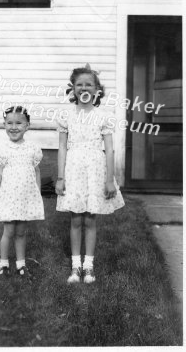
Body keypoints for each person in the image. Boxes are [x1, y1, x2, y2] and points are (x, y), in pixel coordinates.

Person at [55, 64, 125, 284]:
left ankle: (89, 267)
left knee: (90, 219)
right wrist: (60, 177)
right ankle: (75, 267)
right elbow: (62, 148)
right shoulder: (66, 116)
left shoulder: (103, 116)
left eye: (89, 84)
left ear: (97, 90)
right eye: (79, 85)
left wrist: (109, 179)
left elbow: (110, 149)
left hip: (95, 170)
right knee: (76, 219)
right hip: (74, 170)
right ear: (73, 89)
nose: (84, 88)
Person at [0, 105, 44, 277]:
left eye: (19, 123)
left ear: (27, 125)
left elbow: (36, 172)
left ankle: (21, 265)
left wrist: (37, 195)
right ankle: (3, 264)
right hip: (8, 198)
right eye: (9, 123)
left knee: (21, 232)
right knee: (9, 232)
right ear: (4, 125)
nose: (14, 127)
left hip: (25, 198)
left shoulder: (33, 149)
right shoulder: (2, 149)